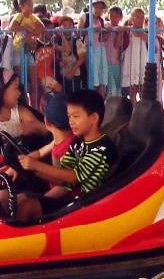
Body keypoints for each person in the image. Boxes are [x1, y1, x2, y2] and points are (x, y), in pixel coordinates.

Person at [14, 89, 115, 222]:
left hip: (87, 206)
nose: (70, 122)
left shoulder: (101, 147)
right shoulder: (79, 142)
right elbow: (61, 176)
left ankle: (18, 241)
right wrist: (32, 170)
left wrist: (36, 166)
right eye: (69, 117)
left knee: (28, 206)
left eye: (76, 116)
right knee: (21, 198)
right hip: (74, 201)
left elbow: (73, 177)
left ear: (93, 118)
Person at [119, 7, 150, 102]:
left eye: (141, 17)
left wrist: (141, 34)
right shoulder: (127, 31)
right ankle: (133, 106)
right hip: (131, 60)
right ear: (132, 18)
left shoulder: (145, 32)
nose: (140, 20)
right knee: (132, 86)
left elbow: (149, 40)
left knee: (142, 85)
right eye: (137, 17)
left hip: (142, 59)